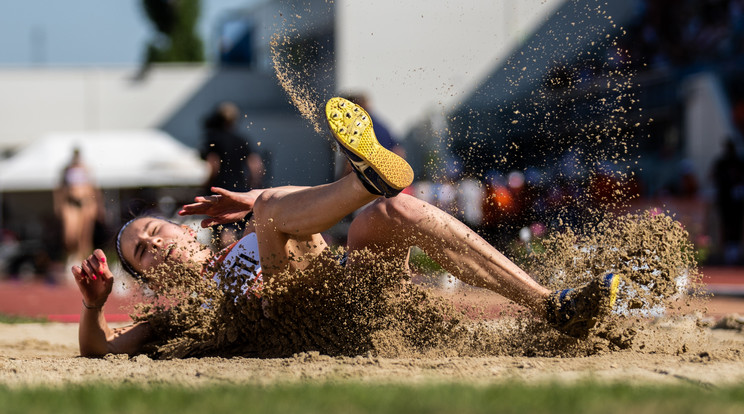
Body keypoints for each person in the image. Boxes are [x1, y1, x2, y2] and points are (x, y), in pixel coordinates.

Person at [73, 97, 620, 357]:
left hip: (351, 294)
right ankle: (364, 181)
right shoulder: (181, 316)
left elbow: (291, 225)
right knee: (271, 211)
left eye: (154, 231)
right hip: (293, 324)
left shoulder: (243, 236)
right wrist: (95, 307)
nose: (153, 243)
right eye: (142, 252)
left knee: (388, 215)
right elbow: (99, 350)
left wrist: (254, 203)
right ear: (153, 282)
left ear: (186, 230)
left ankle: (552, 305)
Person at [201, 101, 265, 247]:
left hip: (220, 188)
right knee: (239, 227)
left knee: (223, 228)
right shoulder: (242, 139)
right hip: (241, 189)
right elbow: (256, 165)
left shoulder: (213, 138)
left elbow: (213, 164)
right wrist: (252, 185)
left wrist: (206, 183)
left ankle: (225, 261)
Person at [54, 147, 103, 268]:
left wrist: (99, 207)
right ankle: (72, 255)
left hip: (85, 203)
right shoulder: (66, 169)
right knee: (70, 235)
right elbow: (59, 188)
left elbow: (94, 188)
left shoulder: (86, 169)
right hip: (71, 203)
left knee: (85, 235)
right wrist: (58, 205)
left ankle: (84, 260)